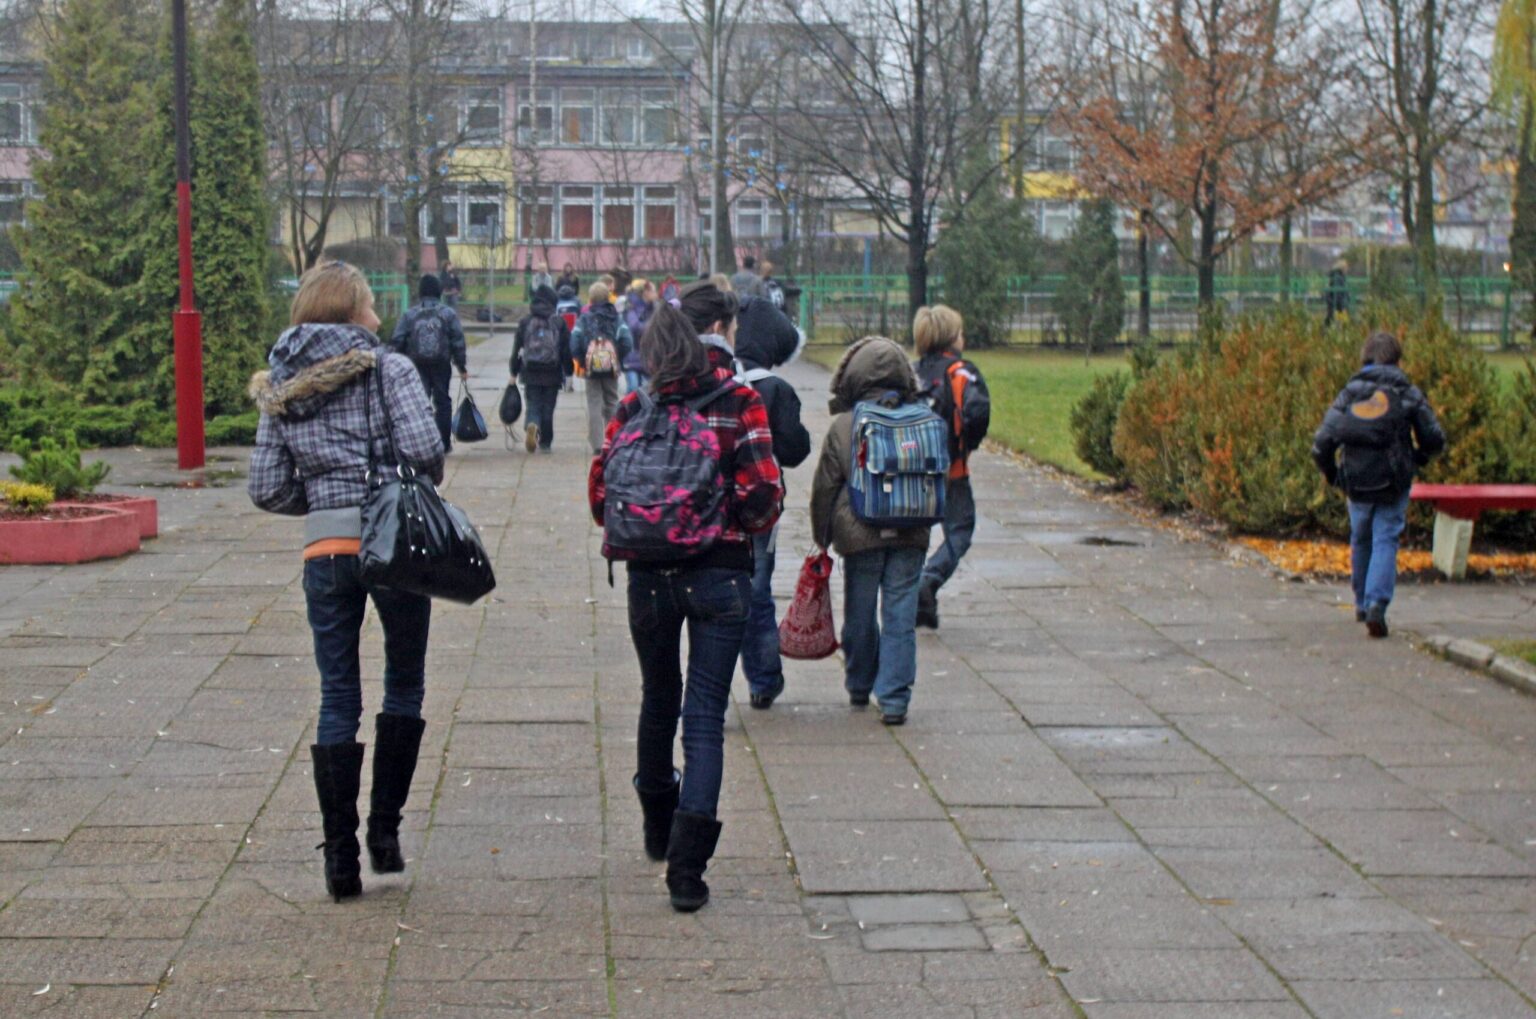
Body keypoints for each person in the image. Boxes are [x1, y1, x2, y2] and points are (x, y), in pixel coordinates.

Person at [247, 261, 444, 903]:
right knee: (405, 680)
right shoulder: (390, 369)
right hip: (395, 543)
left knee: (337, 694)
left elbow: (267, 486)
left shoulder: (283, 383)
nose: (380, 318)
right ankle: (384, 834)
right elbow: (425, 453)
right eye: (370, 306)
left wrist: (324, 500)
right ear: (352, 311)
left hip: (325, 549)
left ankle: (339, 859)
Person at [588, 302, 783, 912]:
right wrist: (736, 523)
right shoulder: (738, 402)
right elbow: (764, 493)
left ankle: (655, 823)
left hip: (648, 578)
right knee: (702, 717)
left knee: (657, 699)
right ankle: (688, 870)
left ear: (650, 356)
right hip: (720, 576)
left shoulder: (631, 409)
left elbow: (601, 496)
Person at [810, 337, 936, 726]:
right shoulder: (923, 418)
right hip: (912, 530)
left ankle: (860, 683)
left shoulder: (845, 426)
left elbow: (825, 487)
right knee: (900, 614)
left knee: (860, 611)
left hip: (859, 530)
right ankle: (895, 699)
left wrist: (823, 534)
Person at [1311, 331, 1445, 639]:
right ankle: (1376, 604)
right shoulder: (1407, 392)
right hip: (1393, 480)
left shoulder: (1349, 393)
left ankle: (1360, 602)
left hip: (1356, 481)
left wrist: (1334, 475)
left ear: (1365, 358)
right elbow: (1435, 438)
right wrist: (1417, 459)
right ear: (1397, 360)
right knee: (1386, 537)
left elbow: (1321, 443)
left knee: (1361, 537)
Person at [729, 296, 811, 709]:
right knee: (757, 591)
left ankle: (716, 684)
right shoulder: (775, 390)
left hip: (716, 503)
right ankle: (763, 678)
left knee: (719, 591)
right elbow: (794, 451)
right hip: (761, 504)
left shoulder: (718, 378)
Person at [912, 305, 991, 630]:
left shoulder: (912, 371)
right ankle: (929, 580)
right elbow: (978, 411)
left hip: (914, 471)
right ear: (950, 337)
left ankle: (917, 600)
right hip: (952, 471)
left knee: (915, 533)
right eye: (960, 332)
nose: (964, 337)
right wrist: (966, 445)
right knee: (959, 531)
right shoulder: (961, 372)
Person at [391, 275, 468, 453]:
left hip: (416, 364)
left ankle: (421, 442)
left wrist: (397, 362)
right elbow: (458, 341)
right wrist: (461, 366)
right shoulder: (448, 314)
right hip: (441, 363)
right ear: (439, 291)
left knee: (419, 401)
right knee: (443, 402)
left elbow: (397, 340)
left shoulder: (410, 315)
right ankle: (444, 443)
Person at [571, 281, 634, 454]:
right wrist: (617, 357)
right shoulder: (616, 318)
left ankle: (597, 444)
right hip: (611, 368)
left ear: (591, 299)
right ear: (608, 297)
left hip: (591, 368)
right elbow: (627, 341)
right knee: (612, 401)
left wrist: (582, 360)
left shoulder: (584, 318)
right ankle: (612, 438)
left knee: (594, 403)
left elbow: (574, 341)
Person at [511, 283, 573, 454]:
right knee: (548, 408)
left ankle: (532, 423)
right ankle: (545, 442)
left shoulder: (525, 322)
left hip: (530, 371)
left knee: (533, 404)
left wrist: (513, 372)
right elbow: (566, 350)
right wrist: (569, 372)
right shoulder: (559, 322)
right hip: (552, 372)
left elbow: (517, 349)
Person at [623, 279, 657, 392]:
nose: (656, 294)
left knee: (650, 391)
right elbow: (634, 327)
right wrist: (654, 325)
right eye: (653, 291)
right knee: (633, 388)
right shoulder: (631, 307)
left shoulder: (654, 307)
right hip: (633, 355)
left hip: (649, 356)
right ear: (646, 292)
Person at [1324, 260, 1350, 326]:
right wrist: (1342, 305)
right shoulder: (1338, 278)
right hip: (1338, 306)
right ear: (1342, 268)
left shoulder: (1336, 277)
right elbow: (1338, 293)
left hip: (1335, 304)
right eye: (1346, 268)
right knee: (1342, 323)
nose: (1347, 269)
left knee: (1332, 320)